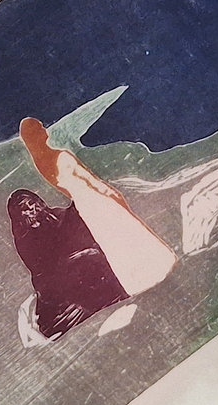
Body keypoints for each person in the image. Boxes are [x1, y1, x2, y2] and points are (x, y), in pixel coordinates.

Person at [9, 117, 177, 342]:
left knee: (106, 233)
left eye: (32, 204)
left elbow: (71, 218)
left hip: (94, 228)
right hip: (84, 267)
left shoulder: (54, 206)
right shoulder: (28, 237)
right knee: (105, 234)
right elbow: (48, 267)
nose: (31, 210)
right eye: (25, 209)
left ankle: (135, 276)